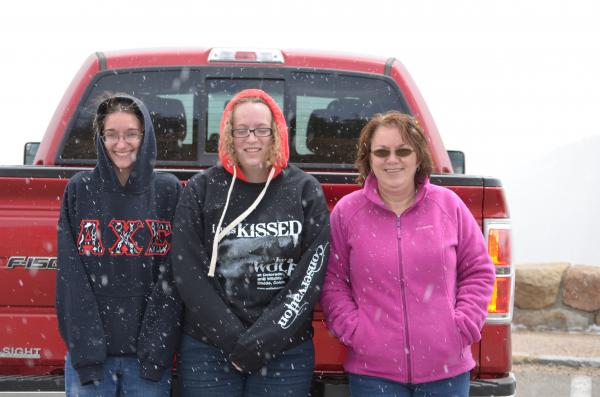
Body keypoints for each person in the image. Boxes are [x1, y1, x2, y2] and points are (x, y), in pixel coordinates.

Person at [320, 111, 495, 397]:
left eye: (403, 150)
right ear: (369, 158)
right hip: (373, 375)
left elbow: (479, 270)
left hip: (447, 371)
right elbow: (331, 281)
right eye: (381, 152)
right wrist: (355, 332)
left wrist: (462, 327)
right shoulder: (347, 213)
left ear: (418, 157)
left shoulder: (448, 205)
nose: (392, 160)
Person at [171, 88, 330, 397]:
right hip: (209, 347)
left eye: (261, 130)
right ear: (228, 134)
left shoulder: (304, 190)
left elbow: (311, 274)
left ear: (277, 133)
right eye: (241, 130)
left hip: (285, 348)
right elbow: (187, 271)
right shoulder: (202, 190)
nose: (252, 139)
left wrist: (265, 339)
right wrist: (233, 339)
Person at [55, 94, 182, 397]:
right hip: (91, 360)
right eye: (111, 134)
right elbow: (71, 278)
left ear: (146, 135)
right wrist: (87, 350)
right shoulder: (80, 190)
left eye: (131, 134)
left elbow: (173, 279)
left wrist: (155, 351)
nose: (121, 144)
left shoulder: (168, 191)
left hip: (147, 361)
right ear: (100, 137)